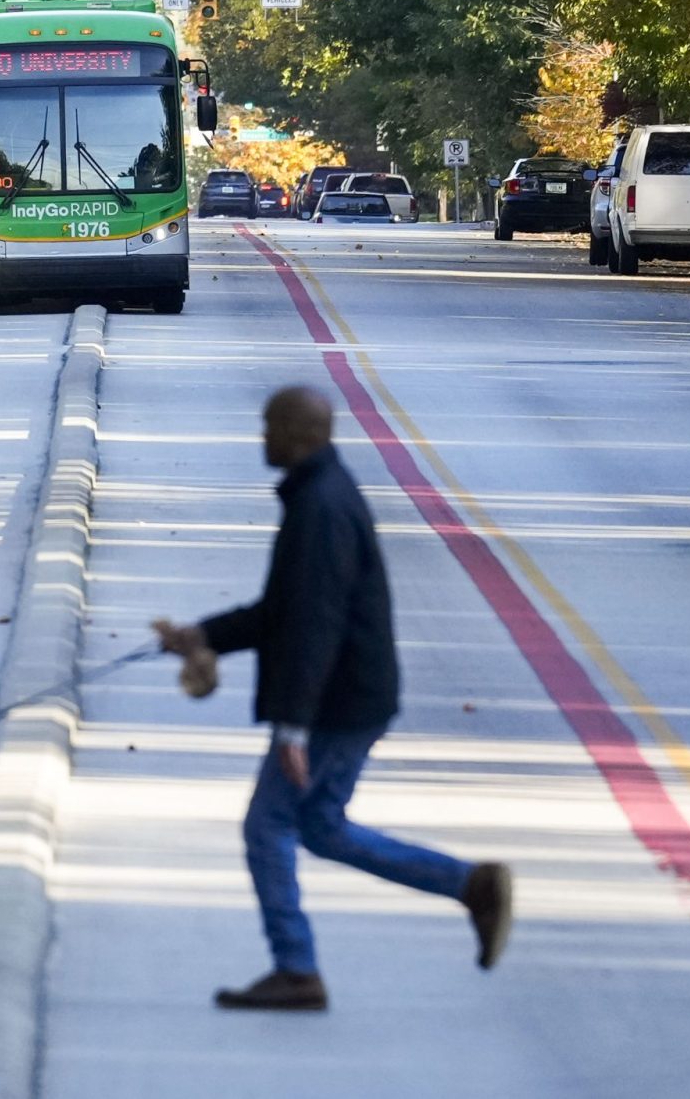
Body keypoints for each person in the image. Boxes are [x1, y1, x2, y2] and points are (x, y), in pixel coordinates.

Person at [154, 385, 512, 1012]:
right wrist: (203, 636)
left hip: (335, 704)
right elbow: (284, 612)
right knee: (319, 827)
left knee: (269, 827)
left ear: (308, 434)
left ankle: (296, 970)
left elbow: (314, 625)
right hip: (352, 697)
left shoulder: (320, 506)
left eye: (273, 426)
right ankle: (470, 885)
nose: (262, 438)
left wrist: (293, 728)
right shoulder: (318, 494)